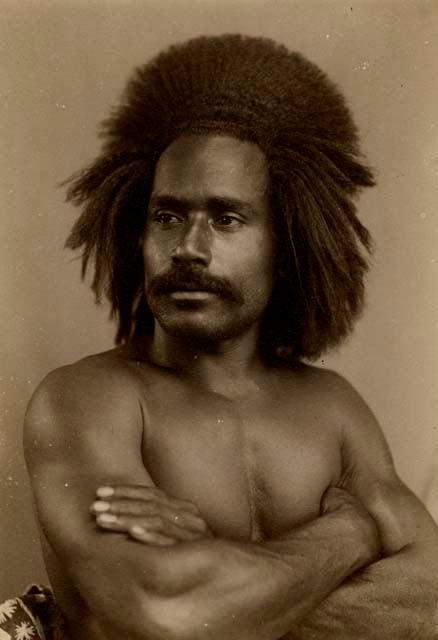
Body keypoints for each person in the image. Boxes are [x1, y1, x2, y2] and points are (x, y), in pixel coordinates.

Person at [20, 34, 438, 639]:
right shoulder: (87, 398)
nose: (188, 247)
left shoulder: (334, 406)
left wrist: (223, 581)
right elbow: (167, 611)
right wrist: (354, 534)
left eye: (226, 217)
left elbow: (427, 606)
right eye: (167, 216)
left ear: (285, 244)